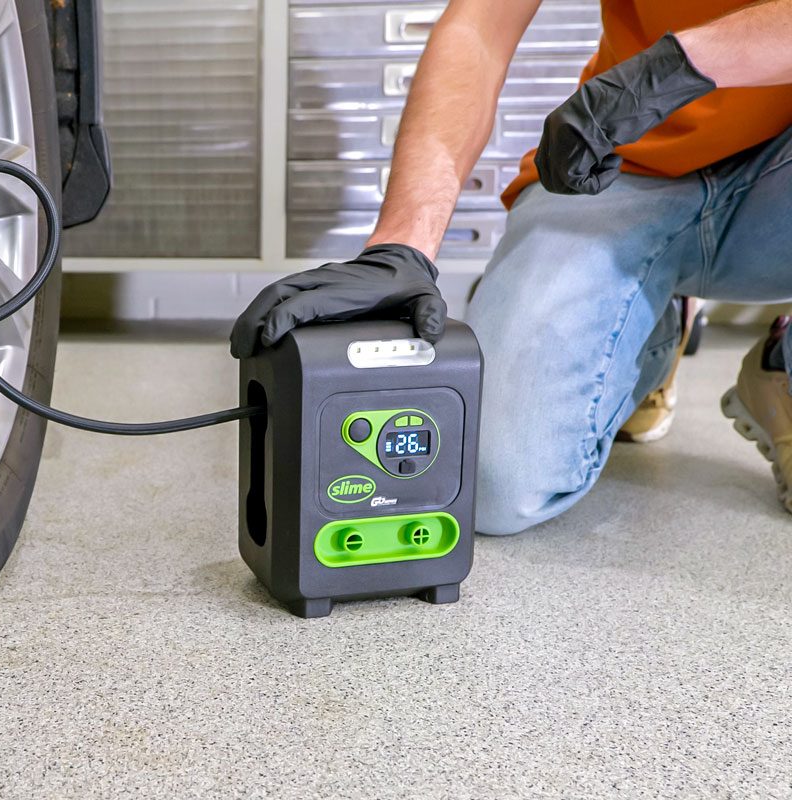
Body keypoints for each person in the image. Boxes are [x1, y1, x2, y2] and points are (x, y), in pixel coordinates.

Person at [231, 0, 792, 534]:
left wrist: (677, 66)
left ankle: (781, 363)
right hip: (624, 165)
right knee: (494, 482)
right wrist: (403, 244)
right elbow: (480, 27)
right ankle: (655, 318)